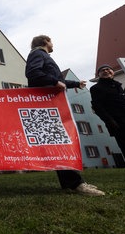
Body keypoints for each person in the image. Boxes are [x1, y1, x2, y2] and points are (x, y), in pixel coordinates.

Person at [25, 35, 105, 196]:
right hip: (46, 105)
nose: (53, 44)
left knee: (59, 143)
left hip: (51, 104)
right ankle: (76, 183)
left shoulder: (43, 56)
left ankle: (71, 183)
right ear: (44, 42)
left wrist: (76, 84)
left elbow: (57, 80)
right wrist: (55, 82)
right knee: (61, 142)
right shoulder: (37, 54)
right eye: (51, 41)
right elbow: (33, 74)